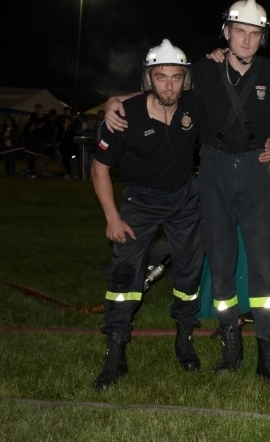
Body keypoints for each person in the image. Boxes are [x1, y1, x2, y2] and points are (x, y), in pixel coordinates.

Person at [104, 0, 270, 389]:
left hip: (255, 174)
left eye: (253, 33)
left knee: (262, 263)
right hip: (213, 170)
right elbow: (161, 89)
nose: (245, 39)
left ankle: (268, 353)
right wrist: (113, 100)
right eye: (238, 31)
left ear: (263, 37)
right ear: (225, 32)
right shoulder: (204, 69)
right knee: (221, 261)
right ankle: (230, 346)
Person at [91, 40, 206, 390]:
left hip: (186, 198)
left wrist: (266, 143)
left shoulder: (195, 108)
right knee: (125, 275)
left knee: (189, 272)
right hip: (140, 202)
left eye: (175, 77)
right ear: (148, 78)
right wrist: (112, 217)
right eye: (160, 77)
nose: (168, 85)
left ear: (184, 79)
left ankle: (184, 338)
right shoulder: (124, 116)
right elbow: (98, 169)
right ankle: (115, 351)